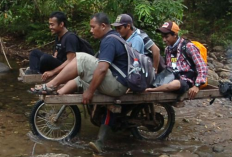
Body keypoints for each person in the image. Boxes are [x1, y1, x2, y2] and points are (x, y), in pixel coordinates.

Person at [30, 13, 129, 153]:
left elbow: (102, 69)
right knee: (79, 77)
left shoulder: (109, 41)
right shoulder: (110, 39)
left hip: (117, 85)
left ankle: (51, 85)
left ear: (103, 26)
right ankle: (57, 92)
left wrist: (89, 91)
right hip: (115, 83)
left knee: (80, 58)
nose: (90, 30)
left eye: (93, 27)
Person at [146, 21, 208, 99]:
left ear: (175, 35)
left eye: (167, 36)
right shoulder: (168, 49)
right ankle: (154, 88)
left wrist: (197, 86)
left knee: (174, 85)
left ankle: (152, 90)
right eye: (163, 37)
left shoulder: (189, 47)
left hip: (186, 80)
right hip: (172, 77)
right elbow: (171, 66)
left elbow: (202, 66)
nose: (164, 40)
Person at [25, 11, 79, 81]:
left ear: (61, 24)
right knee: (34, 53)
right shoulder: (58, 36)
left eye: (52, 25)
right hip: (58, 63)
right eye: (50, 25)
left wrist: (53, 72)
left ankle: (37, 71)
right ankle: (35, 72)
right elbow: (56, 53)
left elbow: (70, 61)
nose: (50, 27)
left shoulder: (70, 38)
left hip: (66, 68)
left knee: (45, 58)